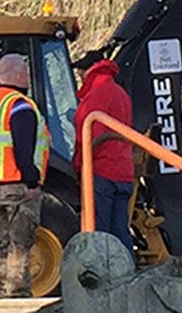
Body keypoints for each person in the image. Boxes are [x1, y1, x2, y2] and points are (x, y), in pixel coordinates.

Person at [0, 54, 50, 297]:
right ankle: (18, 296)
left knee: (0, 245)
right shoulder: (20, 105)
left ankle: (3, 294)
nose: (28, 77)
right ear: (18, 75)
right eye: (26, 72)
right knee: (20, 245)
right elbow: (23, 147)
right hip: (18, 186)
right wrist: (32, 180)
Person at [72, 58, 134, 257]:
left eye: (80, 73)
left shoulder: (96, 96)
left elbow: (90, 137)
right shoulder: (120, 93)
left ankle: (102, 272)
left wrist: (79, 166)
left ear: (88, 71)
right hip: (124, 172)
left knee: (100, 233)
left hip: (102, 173)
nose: (80, 78)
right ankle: (128, 269)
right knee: (120, 230)